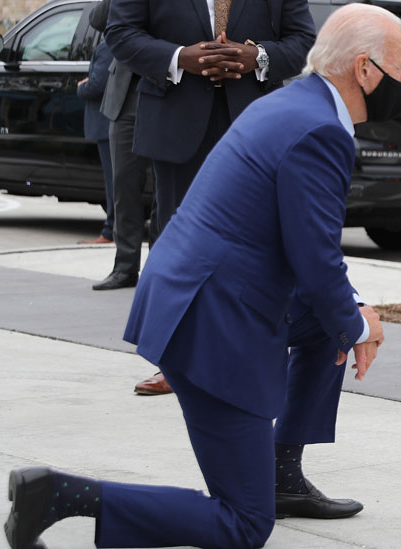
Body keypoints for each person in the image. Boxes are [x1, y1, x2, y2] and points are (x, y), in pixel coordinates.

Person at [3, 5, 401, 548]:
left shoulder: (295, 104)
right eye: (400, 67)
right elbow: (314, 257)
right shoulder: (318, 131)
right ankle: (60, 496)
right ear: (364, 69)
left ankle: (281, 470)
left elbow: (305, 245)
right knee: (243, 524)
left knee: (325, 327)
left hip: (197, 294)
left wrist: (348, 315)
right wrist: (359, 326)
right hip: (212, 322)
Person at [105, 0, 317, 391]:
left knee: (259, 244)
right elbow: (121, 32)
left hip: (257, 122)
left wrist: (260, 57)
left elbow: (305, 38)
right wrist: (178, 58)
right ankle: (176, 363)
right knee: (178, 246)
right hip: (176, 121)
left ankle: (249, 358)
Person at [91, 0, 157, 292]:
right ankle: (125, 267)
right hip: (125, 97)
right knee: (124, 185)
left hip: (168, 91)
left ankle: (160, 267)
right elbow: (98, 18)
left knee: (166, 190)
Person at [75, 6, 115, 247]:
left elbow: (96, 84)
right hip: (110, 122)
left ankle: (110, 231)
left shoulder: (107, 45)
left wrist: (82, 86)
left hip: (106, 122)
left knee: (113, 182)